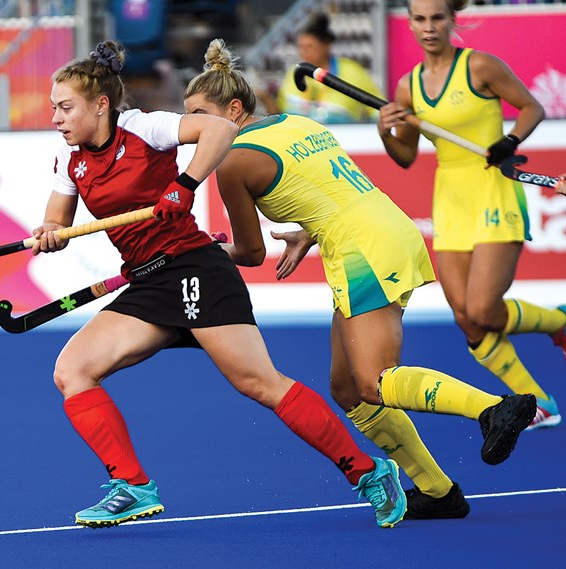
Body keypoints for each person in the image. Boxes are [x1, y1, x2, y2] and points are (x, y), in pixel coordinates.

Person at [35, 40, 408, 530]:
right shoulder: (70, 161)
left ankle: (369, 471)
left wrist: (184, 184)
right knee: (72, 370)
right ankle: (132, 486)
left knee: (259, 383)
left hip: (195, 269)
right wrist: (48, 233)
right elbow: (57, 220)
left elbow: (220, 128)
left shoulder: (144, 128)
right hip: (148, 280)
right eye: (54, 109)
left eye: (66, 107)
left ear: (100, 104)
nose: (57, 118)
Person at [182, 38, 538, 519]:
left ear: (234, 108)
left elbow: (249, 251)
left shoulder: (232, 161)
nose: (193, 130)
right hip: (383, 229)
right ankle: (437, 491)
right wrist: (308, 232)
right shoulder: (296, 122)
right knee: (347, 387)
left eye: (201, 116)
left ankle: (492, 408)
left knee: (374, 381)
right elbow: (326, 190)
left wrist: (199, 248)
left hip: (361, 249)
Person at [377, 0, 564, 430]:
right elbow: (405, 156)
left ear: (451, 20)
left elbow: (533, 107)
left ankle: (560, 322)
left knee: (482, 308)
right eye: (420, 19)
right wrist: (385, 130)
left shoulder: (479, 66)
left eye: (437, 18)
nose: (429, 27)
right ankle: (541, 404)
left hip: (494, 190)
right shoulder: (408, 88)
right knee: (468, 319)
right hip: (451, 199)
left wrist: (510, 139)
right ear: (410, 23)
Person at [274, 11, 382, 124]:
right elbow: (280, 112)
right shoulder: (293, 72)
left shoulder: (352, 71)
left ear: (326, 44)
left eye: (310, 46)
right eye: (301, 47)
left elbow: (377, 111)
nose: (303, 53)